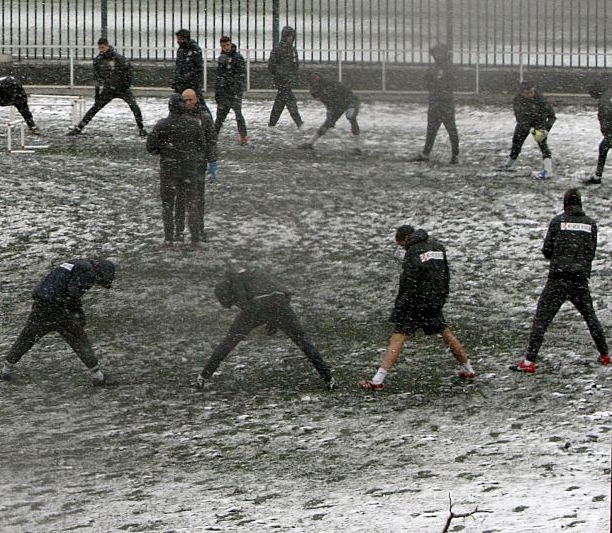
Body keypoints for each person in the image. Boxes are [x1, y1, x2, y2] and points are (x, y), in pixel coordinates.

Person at [360, 225, 477, 390]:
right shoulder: (437, 247)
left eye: (401, 245)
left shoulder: (412, 253)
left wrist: (399, 307)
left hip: (415, 304)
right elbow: (445, 276)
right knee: (446, 333)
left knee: (398, 338)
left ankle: (378, 380)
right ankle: (468, 369)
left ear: (405, 238)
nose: (403, 248)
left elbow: (408, 284)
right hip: (434, 302)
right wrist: (440, 299)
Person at [513, 189, 609, 373]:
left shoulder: (558, 221)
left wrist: (560, 257)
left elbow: (547, 250)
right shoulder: (591, 224)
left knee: (542, 319)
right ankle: (605, 355)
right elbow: (591, 253)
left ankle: (529, 361)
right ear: (580, 204)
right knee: (590, 317)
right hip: (580, 279)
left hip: (558, 278)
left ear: (565, 204)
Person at [192, 267, 334, 390]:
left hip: (257, 306)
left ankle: (203, 377)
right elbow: (285, 293)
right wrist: (273, 321)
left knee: (229, 341)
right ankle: (329, 379)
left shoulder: (233, 281)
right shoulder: (258, 273)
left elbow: (243, 302)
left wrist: (252, 319)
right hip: (281, 303)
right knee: (304, 342)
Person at [0, 256, 116, 384]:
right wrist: (78, 312)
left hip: (41, 304)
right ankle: (98, 376)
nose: (97, 283)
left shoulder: (75, 262)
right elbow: (73, 292)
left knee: (27, 337)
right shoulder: (89, 272)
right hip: (58, 307)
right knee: (78, 338)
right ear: (101, 272)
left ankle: (6, 369)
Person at [146, 94, 211, 244]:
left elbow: (150, 146)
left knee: (168, 204)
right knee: (191, 202)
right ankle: (195, 236)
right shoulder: (194, 124)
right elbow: (202, 145)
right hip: (189, 168)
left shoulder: (162, 125)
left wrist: (164, 150)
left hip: (169, 168)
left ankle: (170, 236)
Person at [69, 38, 145, 137]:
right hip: (109, 89)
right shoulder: (98, 60)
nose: (101, 50)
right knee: (95, 108)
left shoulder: (119, 59)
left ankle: (141, 128)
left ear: (107, 46)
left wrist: (125, 85)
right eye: (99, 48)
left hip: (122, 88)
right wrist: (97, 93)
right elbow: (97, 77)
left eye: (103, 47)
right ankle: (79, 128)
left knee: (134, 107)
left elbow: (128, 72)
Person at [413, 43, 460, 165]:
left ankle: (455, 154)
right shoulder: (435, 68)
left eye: (440, 53)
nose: (437, 56)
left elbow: (452, 83)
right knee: (431, 129)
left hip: (445, 103)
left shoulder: (448, 68)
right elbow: (427, 82)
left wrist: (438, 84)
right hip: (435, 101)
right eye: (436, 53)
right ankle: (426, 152)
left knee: (451, 129)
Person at [500, 81, 555, 179]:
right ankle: (508, 164)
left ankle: (548, 170)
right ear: (522, 93)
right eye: (527, 93)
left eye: (531, 92)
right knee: (516, 143)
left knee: (543, 145)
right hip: (524, 123)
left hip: (539, 123)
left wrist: (546, 130)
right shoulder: (517, 100)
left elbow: (552, 116)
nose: (530, 94)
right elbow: (519, 117)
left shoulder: (541, 99)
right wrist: (529, 128)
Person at [301, 72, 360, 150]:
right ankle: (309, 143)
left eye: (315, 76)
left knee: (351, 117)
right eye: (312, 78)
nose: (315, 78)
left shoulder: (330, 83)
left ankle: (357, 147)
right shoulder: (314, 90)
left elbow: (346, 92)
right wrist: (330, 112)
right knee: (328, 123)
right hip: (337, 105)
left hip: (349, 101)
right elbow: (326, 102)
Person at [212, 36, 249, 145]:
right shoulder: (222, 58)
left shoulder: (238, 58)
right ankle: (213, 137)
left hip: (233, 92)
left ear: (231, 44)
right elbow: (219, 76)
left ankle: (243, 137)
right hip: (224, 92)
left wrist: (237, 91)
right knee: (220, 116)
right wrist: (218, 92)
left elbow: (241, 76)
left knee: (238, 115)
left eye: (227, 45)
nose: (226, 47)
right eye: (224, 46)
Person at [266, 25, 304, 128]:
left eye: (291, 36)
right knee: (289, 101)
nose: (291, 38)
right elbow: (272, 65)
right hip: (282, 80)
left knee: (280, 102)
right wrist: (280, 74)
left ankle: (272, 124)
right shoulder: (280, 49)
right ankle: (299, 123)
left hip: (286, 80)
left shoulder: (291, 49)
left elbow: (295, 65)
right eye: (289, 36)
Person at [586, 81, 612, 185]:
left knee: (603, 147)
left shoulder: (604, 100)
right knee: (603, 147)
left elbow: (605, 116)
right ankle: (597, 175)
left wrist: (606, 131)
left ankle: (598, 176)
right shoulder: (608, 94)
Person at [172, 29, 204, 96]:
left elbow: (198, 67)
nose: (177, 41)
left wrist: (187, 77)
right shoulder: (180, 50)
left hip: (191, 83)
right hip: (181, 83)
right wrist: (176, 79)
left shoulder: (194, 49)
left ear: (185, 39)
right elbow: (178, 66)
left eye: (179, 39)